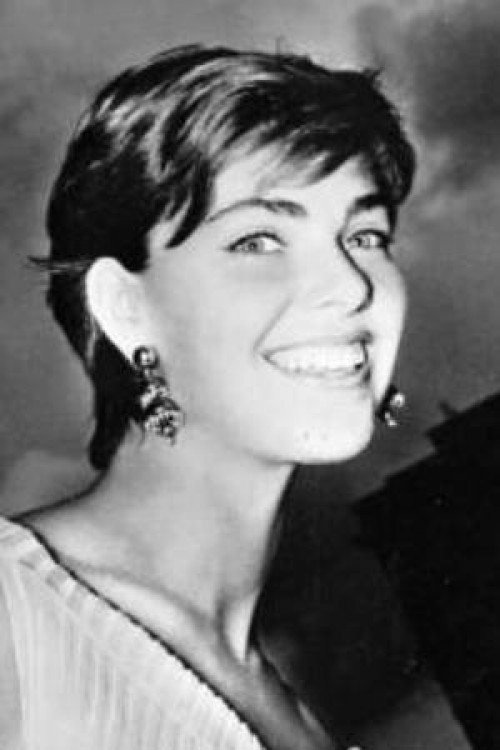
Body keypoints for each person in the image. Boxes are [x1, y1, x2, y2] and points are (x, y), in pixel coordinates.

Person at [0, 44, 415, 750]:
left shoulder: (293, 703)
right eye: (258, 241)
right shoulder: (17, 616)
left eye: (365, 234)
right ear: (125, 307)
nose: (351, 286)